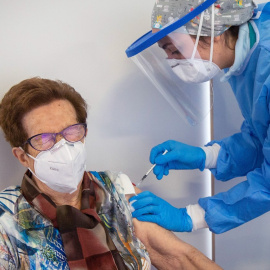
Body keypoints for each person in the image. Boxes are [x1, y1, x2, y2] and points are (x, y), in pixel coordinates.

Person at [0, 77, 222, 269]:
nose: (63, 146)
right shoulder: (6, 219)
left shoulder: (115, 188)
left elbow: (179, 258)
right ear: (22, 156)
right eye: (44, 139)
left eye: (71, 131)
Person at [126, 0, 270, 235]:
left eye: (176, 49)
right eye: (166, 52)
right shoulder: (242, 58)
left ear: (213, 31)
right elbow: (260, 138)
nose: (173, 62)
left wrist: (191, 216)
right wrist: (206, 156)